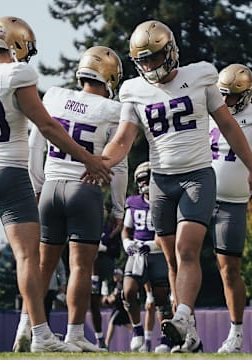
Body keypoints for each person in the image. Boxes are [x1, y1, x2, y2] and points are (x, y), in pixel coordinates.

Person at [0, 17, 112, 353]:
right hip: (8, 171)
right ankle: (40, 334)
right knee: (27, 256)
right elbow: (48, 127)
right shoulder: (17, 75)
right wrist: (89, 159)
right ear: (17, 44)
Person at [93, 19, 252, 352]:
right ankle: (189, 332)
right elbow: (123, 139)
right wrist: (100, 161)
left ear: (170, 51)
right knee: (172, 262)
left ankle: (181, 315)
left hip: (197, 174)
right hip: (161, 180)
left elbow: (228, 126)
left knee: (186, 249)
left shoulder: (201, 76)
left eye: (154, 57)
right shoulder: (133, 90)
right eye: (143, 59)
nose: (149, 65)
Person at [14, 45, 127, 352]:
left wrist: (37, 185)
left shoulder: (55, 96)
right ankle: (74, 334)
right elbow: (120, 163)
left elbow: (36, 143)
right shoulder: (113, 111)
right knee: (80, 267)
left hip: (51, 186)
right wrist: (118, 208)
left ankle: (28, 326)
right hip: (84, 189)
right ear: (111, 78)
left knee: (42, 265)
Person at [209, 64, 252, 353]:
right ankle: (182, 328)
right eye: (222, 95)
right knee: (178, 258)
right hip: (200, 196)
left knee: (229, 270)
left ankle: (235, 332)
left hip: (234, 201)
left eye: (233, 97)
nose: (226, 102)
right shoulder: (207, 108)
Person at [121, 161, 172, 353]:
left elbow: (164, 236)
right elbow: (126, 230)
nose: (144, 183)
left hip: (158, 254)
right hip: (137, 254)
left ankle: (166, 338)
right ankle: (137, 331)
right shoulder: (133, 202)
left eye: (147, 179)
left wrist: (147, 246)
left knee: (161, 298)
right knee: (128, 292)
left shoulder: (165, 201)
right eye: (141, 180)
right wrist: (127, 244)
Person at [90, 204, 121, 350]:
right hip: (89, 272)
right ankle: (99, 338)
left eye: (103, 208)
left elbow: (117, 252)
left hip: (107, 270)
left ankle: (139, 336)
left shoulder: (112, 227)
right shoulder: (86, 224)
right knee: (92, 304)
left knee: (115, 306)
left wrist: (105, 248)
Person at [102, 268, 132, 348]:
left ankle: (106, 344)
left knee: (112, 322)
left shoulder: (122, 284)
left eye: (116, 275)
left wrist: (108, 299)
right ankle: (139, 338)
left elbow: (113, 299)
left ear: (120, 275)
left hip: (121, 308)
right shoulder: (116, 284)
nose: (114, 276)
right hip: (119, 308)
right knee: (128, 325)